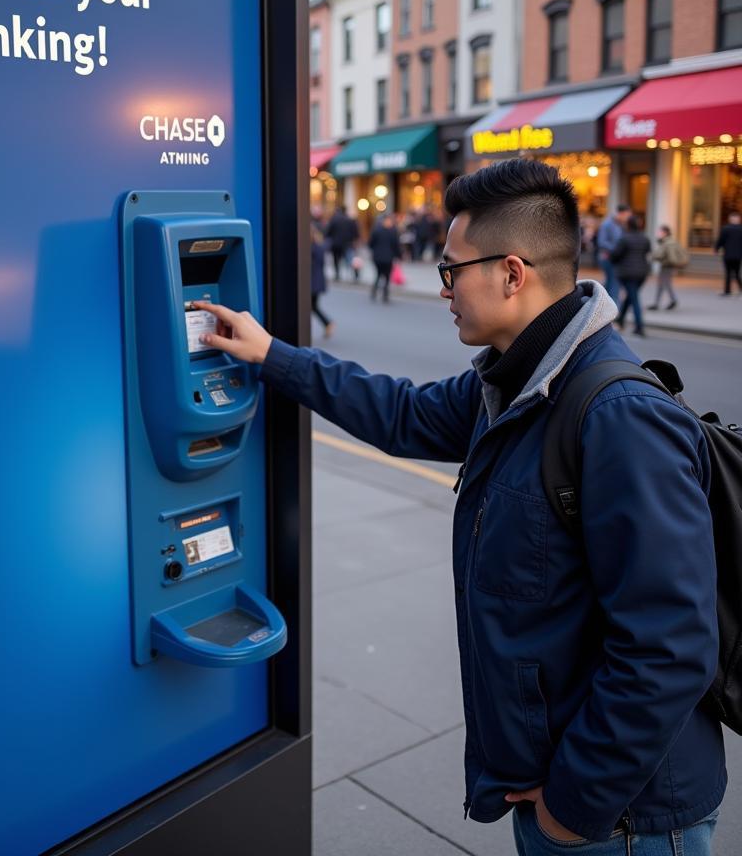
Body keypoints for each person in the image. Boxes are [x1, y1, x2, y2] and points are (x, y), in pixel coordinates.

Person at [192, 158, 723, 855]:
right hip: (569, 791)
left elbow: (671, 644)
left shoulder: (617, 416)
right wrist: (272, 356)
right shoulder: (512, 383)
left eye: (450, 270)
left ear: (511, 272)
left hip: (625, 818)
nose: (441, 288)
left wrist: (573, 804)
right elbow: (401, 412)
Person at [610, 215, 650, 337]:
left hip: (627, 273)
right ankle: (621, 320)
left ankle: (639, 326)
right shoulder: (645, 238)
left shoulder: (624, 239)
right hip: (642, 273)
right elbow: (647, 252)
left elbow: (615, 255)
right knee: (631, 296)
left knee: (634, 298)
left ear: (628, 225)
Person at [595, 204, 630, 301]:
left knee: (610, 283)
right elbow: (601, 242)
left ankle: (598, 302)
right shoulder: (607, 224)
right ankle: (613, 309)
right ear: (621, 214)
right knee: (614, 283)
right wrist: (617, 249)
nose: (627, 218)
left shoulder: (622, 225)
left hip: (616, 258)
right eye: (626, 215)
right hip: (608, 258)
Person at [367, 214, 401, 302]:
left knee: (378, 275)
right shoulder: (393, 231)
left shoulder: (376, 230)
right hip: (388, 258)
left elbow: (370, 244)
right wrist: (399, 256)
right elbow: (396, 245)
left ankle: (374, 291)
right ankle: (385, 294)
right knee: (386, 276)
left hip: (377, 257)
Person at [647, 224, 681, 311]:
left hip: (666, 266)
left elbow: (662, 255)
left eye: (660, 232)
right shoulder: (668, 241)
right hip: (667, 266)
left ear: (665, 233)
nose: (658, 233)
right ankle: (658, 303)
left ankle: (672, 300)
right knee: (662, 285)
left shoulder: (667, 243)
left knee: (665, 284)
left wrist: (653, 256)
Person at [310, 225, 334, 339]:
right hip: (318, 281)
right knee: (313, 306)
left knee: (311, 306)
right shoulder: (319, 246)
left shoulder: (312, 248)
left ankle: (327, 323)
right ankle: (327, 323)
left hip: (312, 282)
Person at [325, 205, 359, 282]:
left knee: (336, 260)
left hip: (336, 244)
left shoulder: (334, 220)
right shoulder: (350, 220)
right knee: (350, 259)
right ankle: (355, 275)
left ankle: (337, 274)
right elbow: (356, 233)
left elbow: (328, 232)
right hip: (347, 243)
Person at [715, 211, 742, 296]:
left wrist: (716, 249)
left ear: (730, 219)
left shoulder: (725, 228)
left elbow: (721, 240)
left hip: (728, 255)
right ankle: (740, 288)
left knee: (728, 273)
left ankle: (727, 291)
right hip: (738, 255)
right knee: (737, 273)